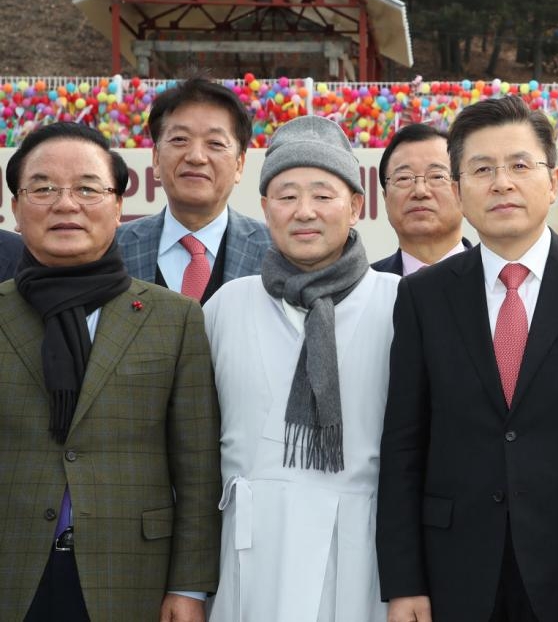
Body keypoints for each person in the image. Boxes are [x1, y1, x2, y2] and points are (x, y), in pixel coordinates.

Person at [377, 96, 558, 622]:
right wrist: (404, 582)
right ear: (458, 189)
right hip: (456, 568)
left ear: (553, 182)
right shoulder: (422, 297)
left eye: (519, 165)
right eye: (482, 169)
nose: (502, 183)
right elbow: (403, 446)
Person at [0, 122, 221, 621]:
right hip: (11, 568)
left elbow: (197, 468)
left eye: (87, 189)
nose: (66, 204)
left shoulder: (174, 318)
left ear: (119, 206)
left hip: (131, 574)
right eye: (43, 188)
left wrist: (189, 587)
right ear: (16, 207)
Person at [205, 115, 398, 622]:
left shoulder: (399, 303)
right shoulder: (226, 305)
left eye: (323, 195)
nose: (304, 211)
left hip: (364, 550)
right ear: (265, 207)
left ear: (356, 206)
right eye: (286, 196)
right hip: (250, 553)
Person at [117, 77, 271, 303]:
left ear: (239, 164)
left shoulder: (274, 250)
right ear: (156, 158)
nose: (196, 157)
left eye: (215, 143)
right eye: (180, 139)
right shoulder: (114, 247)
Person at [372, 123, 471, 275]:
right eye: (404, 178)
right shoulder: (364, 285)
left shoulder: (496, 277)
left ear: (462, 191)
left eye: (437, 176)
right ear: (385, 198)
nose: (420, 191)